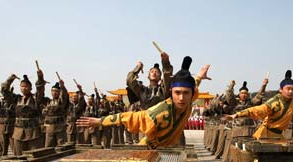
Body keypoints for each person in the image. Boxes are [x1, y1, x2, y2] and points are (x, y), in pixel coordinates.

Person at [77, 57, 211, 149]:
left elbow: (190, 86)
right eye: (177, 93)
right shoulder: (157, 108)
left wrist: (198, 76)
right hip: (151, 136)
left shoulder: (176, 93)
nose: (181, 98)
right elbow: (130, 116)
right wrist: (100, 121)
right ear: (171, 92)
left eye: (186, 93)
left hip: (173, 140)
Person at [1, 71, 46, 155]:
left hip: (33, 133)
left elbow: (40, 89)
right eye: (22, 86)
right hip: (18, 133)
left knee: (35, 157)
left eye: (26, 86)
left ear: (30, 88)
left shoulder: (35, 99)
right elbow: (4, 91)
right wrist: (10, 79)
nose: (23, 88)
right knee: (19, 157)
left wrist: (40, 78)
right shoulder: (16, 99)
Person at [43, 81, 69, 147]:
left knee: (61, 147)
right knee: (48, 147)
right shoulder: (48, 101)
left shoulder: (61, 102)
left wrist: (62, 87)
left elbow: (65, 95)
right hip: (49, 128)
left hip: (60, 128)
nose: (54, 93)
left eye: (56, 91)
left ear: (59, 92)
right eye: (52, 91)